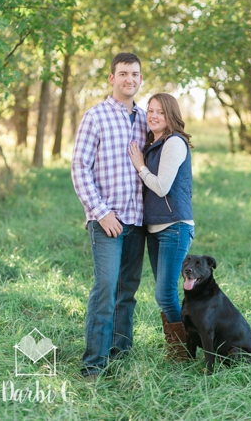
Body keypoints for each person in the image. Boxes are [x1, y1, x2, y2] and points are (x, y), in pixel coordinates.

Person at [72, 52, 149, 379]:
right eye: (123, 74)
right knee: (105, 289)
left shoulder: (147, 119)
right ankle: (93, 365)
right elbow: (79, 168)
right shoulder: (96, 116)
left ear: (140, 79)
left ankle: (120, 351)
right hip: (107, 221)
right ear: (111, 78)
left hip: (137, 220)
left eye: (134, 74)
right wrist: (101, 213)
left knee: (127, 291)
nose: (129, 79)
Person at [127, 93, 195, 362]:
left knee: (165, 293)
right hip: (156, 229)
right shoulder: (155, 142)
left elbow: (161, 186)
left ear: (171, 116)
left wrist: (140, 166)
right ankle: (179, 349)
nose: (153, 116)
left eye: (160, 112)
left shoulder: (175, 143)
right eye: (150, 111)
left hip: (174, 227)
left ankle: (182, 353)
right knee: (165, 294)